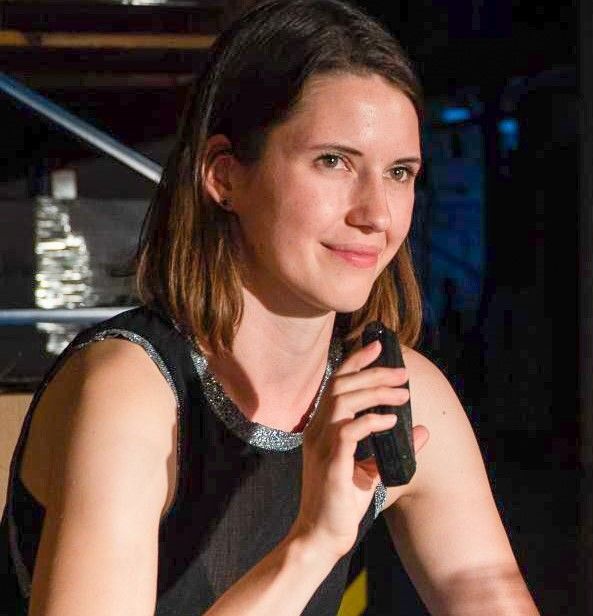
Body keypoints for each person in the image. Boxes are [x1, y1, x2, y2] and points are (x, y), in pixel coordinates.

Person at [0, 1, 540, 614]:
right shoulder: (130, 389)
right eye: (333, 162)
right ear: (224, 176)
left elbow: (484, 584)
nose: (377, 214)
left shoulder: (400, 391)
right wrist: (313, 543)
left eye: (399, 172)